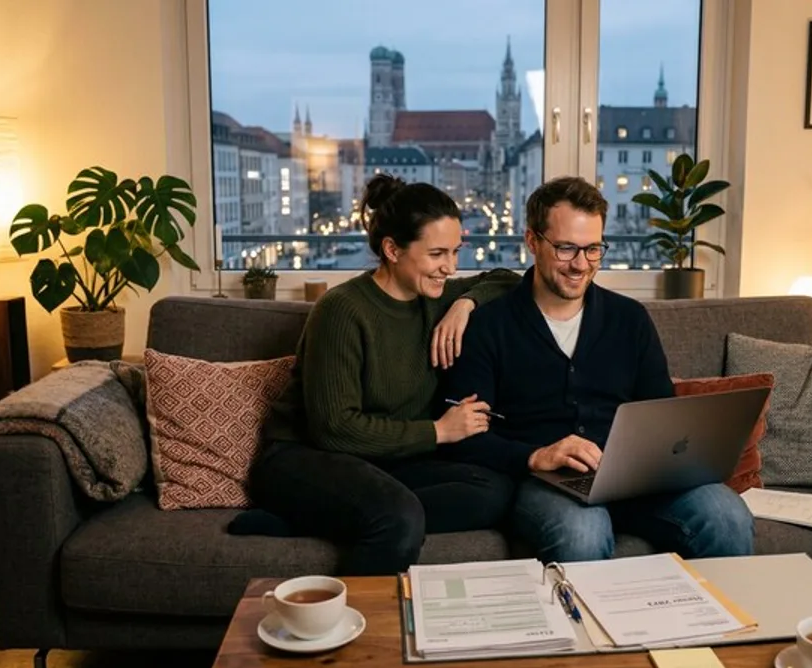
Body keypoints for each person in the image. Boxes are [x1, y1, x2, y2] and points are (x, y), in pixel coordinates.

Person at [439, 176, 754, 563]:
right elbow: (465, 439)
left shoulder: (630, 319)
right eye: (567, 248)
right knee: (582, 535)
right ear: (532, 241)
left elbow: (662, 414)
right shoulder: (490, 326)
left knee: (727, 517)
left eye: (593, 249)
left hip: (638, 481)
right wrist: (536, 455)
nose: (581, 265)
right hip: (545, 482)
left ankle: (719, 624)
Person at [246, 174, 519, 576]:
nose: (450, 266)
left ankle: (319, 520)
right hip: (305, 458)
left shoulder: (437, 296)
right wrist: (438, 432)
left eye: (456, 252)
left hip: (383, 461)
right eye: (437, 253)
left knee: (495, 491)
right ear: (392, 249)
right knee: (400, 518)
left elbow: (509, 281)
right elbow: (334, 429)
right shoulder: (341, 310)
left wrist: (465, 304)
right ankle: (358, 632)